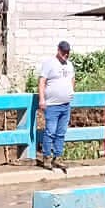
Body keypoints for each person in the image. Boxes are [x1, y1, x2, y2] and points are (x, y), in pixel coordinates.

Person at [37, 40, 75, 172]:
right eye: (64, 52)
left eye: (67, 52)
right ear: (58, 50)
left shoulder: (69, 65)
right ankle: (47, 157)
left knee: (61, 132)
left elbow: (72, 80)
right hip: (52, 104)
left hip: (65, 104)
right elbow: (42, 81)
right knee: (50, 131)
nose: (66, 55)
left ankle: (57, 157)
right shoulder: (49, 63)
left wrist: (71, 93)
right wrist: (42, 99)